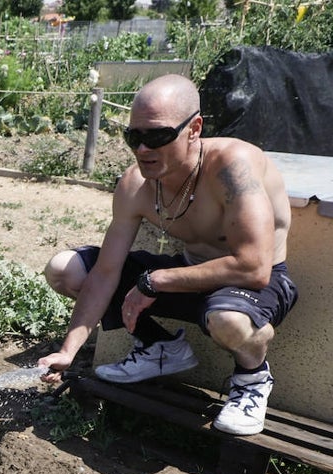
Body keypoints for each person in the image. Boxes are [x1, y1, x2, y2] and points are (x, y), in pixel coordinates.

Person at [38, 74, 296, 436]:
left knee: (229, 320)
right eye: (134, 137)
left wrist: (156, 280)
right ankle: (161, 347)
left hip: (254, 285)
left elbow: (254, 267)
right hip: (190, 275)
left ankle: (252, 380)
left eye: (157, 136)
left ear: (194, 129)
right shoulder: (135, 184)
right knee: (66, 270)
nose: (143, 149)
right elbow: (106, 272)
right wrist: (69, 349)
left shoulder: (233, 166)